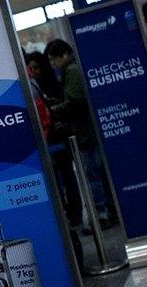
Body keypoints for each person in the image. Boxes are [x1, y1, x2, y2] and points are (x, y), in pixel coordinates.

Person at [45, 40, 112, 229]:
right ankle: (106, 211)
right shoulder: (74, 68)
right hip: (86, 129)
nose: (53, 64)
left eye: (54, 59)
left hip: (84, 132)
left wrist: (54, 110)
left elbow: (74, 100)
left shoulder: (72, 71)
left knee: (92, 174)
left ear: (64, 55)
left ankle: (101, 214)